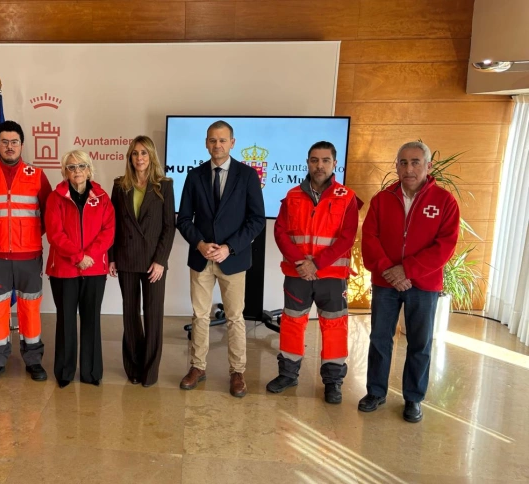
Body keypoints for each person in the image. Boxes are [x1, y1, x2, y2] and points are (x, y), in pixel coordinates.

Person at [359, 141, 459, 423]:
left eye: (415, 162)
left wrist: (408, 271)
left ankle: (413, 398)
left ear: (428, 166)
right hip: (385, 282)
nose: (409, 168)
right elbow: (369, 239)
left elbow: (445, 245)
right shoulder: (381, 200)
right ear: (396, 166)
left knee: (420, 343)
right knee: (380, 339)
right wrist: (390, 271)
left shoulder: (444, 201)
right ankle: (376, 391)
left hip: (424, 285)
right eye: (403, 162)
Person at [267, 141, 361, 404]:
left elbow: (347, 237)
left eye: (325, 160)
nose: (319, 166)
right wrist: (301, 263)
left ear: (334, 163)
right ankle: (287, 374)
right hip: (298, 275)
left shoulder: (348, 197)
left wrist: (316, 265)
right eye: (314, 160)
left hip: (331, 276)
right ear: (307, 162)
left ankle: (333, 382)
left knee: (334, 327)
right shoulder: (293, 195)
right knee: (292, 323)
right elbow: (281, 233)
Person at [176, 120, 266, 397]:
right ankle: (197, 367)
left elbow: (256, 220)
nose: (217, 145)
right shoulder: (195, 176)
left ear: (232, 143)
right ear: (206, 143)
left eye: (223, 140)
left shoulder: (248, 175)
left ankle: (237, 372)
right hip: (201, 258)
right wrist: (200, 244)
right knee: (200, 315)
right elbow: (184, 219)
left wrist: (229, 247)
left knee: (235, 318)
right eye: (212, 140)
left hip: (233, 259)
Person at [0, 120, 52, 383]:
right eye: (5, 142)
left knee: (30, 310)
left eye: (14, 142)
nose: (10, 147)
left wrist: (28, 237)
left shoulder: (37, 175)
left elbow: (49, 215)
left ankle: (33, 361)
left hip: (28, 257)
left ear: (22, 144)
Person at [45, 150, 115, 388]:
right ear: (65, 171)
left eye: (81, 166)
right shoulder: (55, 198)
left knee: (91, 320)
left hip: (94, 269)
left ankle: (91, 372)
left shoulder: (103, 197)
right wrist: (77, 257)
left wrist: (89, 257)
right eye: (72, 167)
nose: (77, 171)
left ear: (89, 169)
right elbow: (55, 234)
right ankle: (64, 373)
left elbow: (108, 232)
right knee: (65, 321)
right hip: (64, 269)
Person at [109, 136, 175, 388]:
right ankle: (133, 367)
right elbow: (113, 224)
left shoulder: (164, 185)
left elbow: (169, 227)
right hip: (126, 258)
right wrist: (112, 257)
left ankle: (150, 370)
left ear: (151, 157)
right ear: (130, 157)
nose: (139, 158)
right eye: (135, 153)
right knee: (130, 316)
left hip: (153, 262)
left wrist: (160, 261)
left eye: (144, 153)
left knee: (153, 315)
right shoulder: (120, 185)